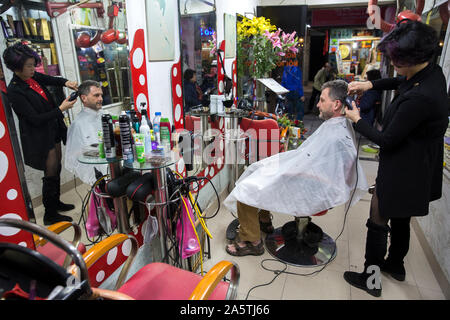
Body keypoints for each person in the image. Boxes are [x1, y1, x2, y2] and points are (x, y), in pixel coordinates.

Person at [342, 21, 448, 298]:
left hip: (403, 168)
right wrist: (370, 83)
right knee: (402, 218)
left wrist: (357, 120)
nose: (392, 64)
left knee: (378, 218)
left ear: (411, 59)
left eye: (395, 60)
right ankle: (396, 265)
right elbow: (400, 80)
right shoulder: (431, 73)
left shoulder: (421, 98)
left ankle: (372, 279)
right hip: (419, 165)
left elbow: (386, 139)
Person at [224, 80, 368, 256]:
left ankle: (251, 241)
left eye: (322, 100)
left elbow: (315, 162)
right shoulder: (339, 126)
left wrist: (288, 167)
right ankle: (264, 222)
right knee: (261, 171)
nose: (317, 104)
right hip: (320, 180)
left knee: (247, 188)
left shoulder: (336, 135)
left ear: (337, 104)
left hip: (316, 188)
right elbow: (316, 159)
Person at [3, 43, 78, 225]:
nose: (32, 69)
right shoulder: (15, 90)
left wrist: (65, 82)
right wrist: (61, 109)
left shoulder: (32, 77)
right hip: (39, 136)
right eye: (28, 66)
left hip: (52, 129)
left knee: (56, 168)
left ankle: (56, 202)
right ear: (16, 68)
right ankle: (50, 213)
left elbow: (49, 79)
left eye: (32, 64)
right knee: (50, 172)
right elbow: (34, 119)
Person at [65, 80, 107, 185]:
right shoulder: (78, 124)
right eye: (96, 95)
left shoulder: (104, 115)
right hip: (97, 172)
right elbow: (72, 157)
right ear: (84, 98)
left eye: (101, 95)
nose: (101, 99)